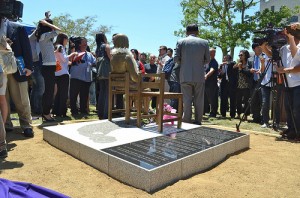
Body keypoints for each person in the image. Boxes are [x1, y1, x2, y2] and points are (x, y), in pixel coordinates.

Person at [174, 24, 210, 124]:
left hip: (185, 74)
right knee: (199, 100)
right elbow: (207, 59)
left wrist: (185, 63)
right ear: (197, 32)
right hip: (199, 75)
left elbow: (176, 58)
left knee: (187, 100)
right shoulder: (204, 42)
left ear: (186, 32)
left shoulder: (181, 41)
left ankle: (187, 121)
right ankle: (198, 120)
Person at [6, 20, 34, 137]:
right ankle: (6, 124)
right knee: (3, 98)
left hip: (17, 67)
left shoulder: (18, 28)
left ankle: (26, 124)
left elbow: (26, 47)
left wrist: (29, 66)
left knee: (21, 98)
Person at [275, 25, 300, 140]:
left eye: (290, 31)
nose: (286, 33)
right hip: (288, 83)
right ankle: (291, 130)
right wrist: (264, 47)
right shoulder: (284, 48)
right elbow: (273, 56)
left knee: (297, 109)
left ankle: (298, 132)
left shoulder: (298, 46)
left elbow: (296, 56)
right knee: (289, 108)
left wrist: (286, 70)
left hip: (298, 84)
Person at [35, 18, 61, 121]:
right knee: (49, 92)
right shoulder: (44, 36)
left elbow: (55, 32)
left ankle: (46, 112)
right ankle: (46, 113)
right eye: (50, 26)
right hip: (47, 67)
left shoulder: (46, 37)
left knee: (51, 91)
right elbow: (58, 30)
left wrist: (46, 21)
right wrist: (46, 23)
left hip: (50, 66)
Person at [69, 37, 96, 115]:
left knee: (84, 96)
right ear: (79, 44)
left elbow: (94, 62)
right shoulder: (75, 53)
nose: (85, 44)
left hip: (87, 78)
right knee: (73, 95)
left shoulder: (89, 54)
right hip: (76, 77)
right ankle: (74, 111)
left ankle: (83, 110)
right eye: (84, 43)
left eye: (86, 43)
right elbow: (70, 61)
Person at [53, 33, 77, 117]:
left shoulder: (56, 46)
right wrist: (73, 54)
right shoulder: (60, 47)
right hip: (63, 73)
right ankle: (62, 112)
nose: (67, 42)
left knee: (59, 93)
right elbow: (64, 59)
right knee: (63, 94)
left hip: (57, 73)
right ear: (63, 39)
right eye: (66, 40)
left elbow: (62, 60)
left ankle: (56, 111)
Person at [95, 32, 111, 119]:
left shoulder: (97, 48)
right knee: (108, 92)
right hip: (107, 71)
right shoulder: (106, 46)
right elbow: (110, 57)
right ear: (103, 37)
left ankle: (100, 113)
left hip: (100, 72)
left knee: (102, 92)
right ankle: (106, 114)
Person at [233, 50, 253, 121]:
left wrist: (241, 68)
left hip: (246, 85)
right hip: (239, 85)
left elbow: (249, 73)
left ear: (245, 56)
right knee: (238, 101)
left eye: (241, 55)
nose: (240, 56)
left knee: (246, 101)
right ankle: (238, 114)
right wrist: (237, 66)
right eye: (239, 55)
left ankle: (246, 116)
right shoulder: (239, 63)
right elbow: (233, 69)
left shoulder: (249, 64)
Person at [28, 29, 44, 115]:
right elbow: (35, 34)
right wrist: (39, 28)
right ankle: (37, 109)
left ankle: (34, 108)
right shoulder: (30, 38)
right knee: (40, 88)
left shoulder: (39, 42)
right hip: (35, 64)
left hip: (38, 64)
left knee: (35, 88)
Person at [248, 43, 262, 124]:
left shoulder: (264, 56)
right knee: (254, 101)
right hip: (253, 83)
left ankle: (263, 118)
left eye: (260, 46)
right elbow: (246, 69)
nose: (260, 48)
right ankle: (256, 118)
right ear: (253, 49)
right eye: (258, 47)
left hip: (262, 82)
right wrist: (250, 70)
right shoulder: (250, 59)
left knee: (262, 101)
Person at [204, 48, 218, 117]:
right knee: (205, 97)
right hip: (205, 83)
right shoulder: (206, 62)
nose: (209, 54)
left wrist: (206, 75)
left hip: (211, 84)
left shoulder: (214, 62)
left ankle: (213, 113)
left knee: (212, 98)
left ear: (214, 54)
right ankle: (204, 110)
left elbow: (212, 70)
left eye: (211, 53)